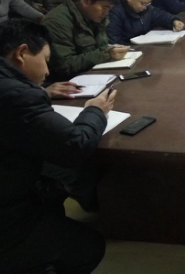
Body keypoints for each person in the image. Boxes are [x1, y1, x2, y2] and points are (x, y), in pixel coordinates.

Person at [0, 19, 111, 274]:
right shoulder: (17, 96)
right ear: (21, 53)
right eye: (45, 60)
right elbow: (75, 146)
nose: (48, 70)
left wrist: (43, 93)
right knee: (89, 247)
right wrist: (95, 111)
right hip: (7, 215)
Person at [42, 0, 128, 80]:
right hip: (71, 82)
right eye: (105, 7)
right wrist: (106, 54)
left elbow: (100, 46)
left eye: (110, 8)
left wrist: (110, 49)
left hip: (97, 75)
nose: (106, 12)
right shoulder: (56, 22)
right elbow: (64, 66)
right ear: (87, 0)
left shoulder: (95, 15)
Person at [107, 0, 184, 45]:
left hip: (145, 48)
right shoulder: (115, 13)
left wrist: (174, 21)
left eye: (148, 3)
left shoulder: (147, 9)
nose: (145, 7)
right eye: (142, 3)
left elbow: (161, 15)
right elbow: (115, 43)